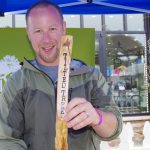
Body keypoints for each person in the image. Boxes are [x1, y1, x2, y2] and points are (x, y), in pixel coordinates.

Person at [0, 1, 122, 150]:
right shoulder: (17, 82)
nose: (46, 39)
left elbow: (114, 128)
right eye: (38, 31)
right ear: (28, 33)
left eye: (52, 28)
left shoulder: (91, 77)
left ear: (63, 28)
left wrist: (97, 117)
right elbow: (6, 139)